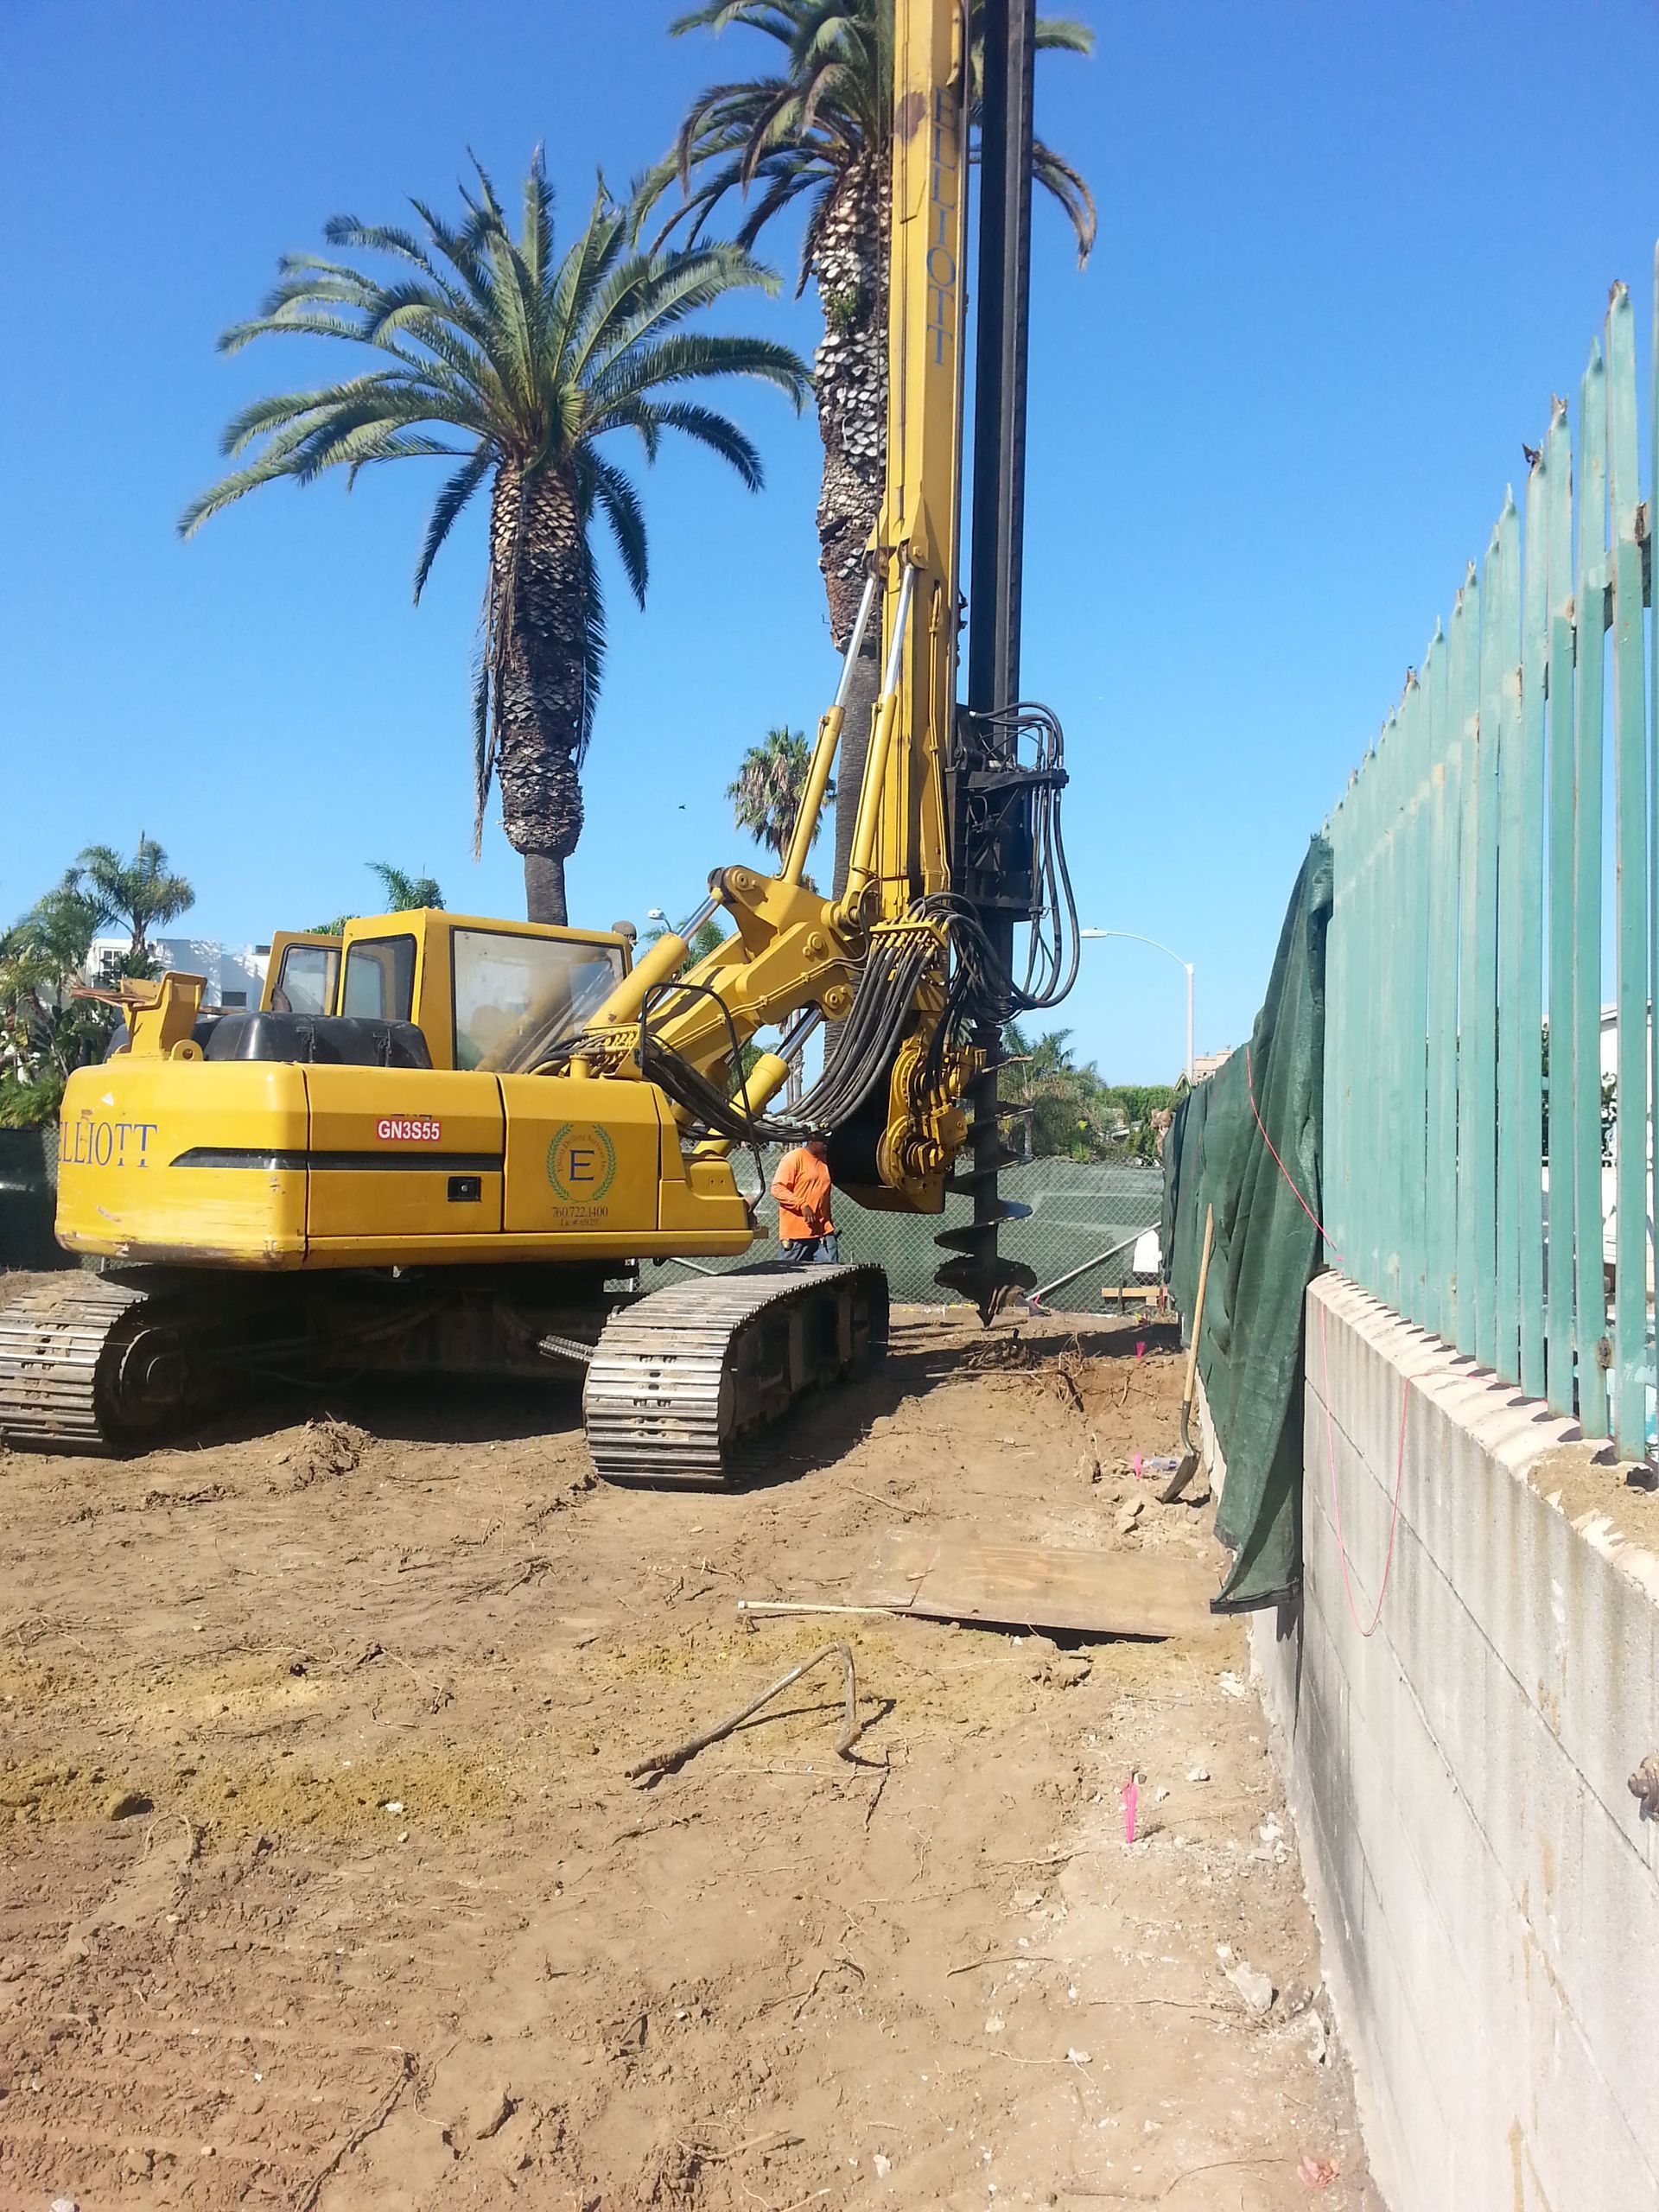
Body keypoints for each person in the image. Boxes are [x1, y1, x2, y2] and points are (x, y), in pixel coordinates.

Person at [771, 1135, 839, 1265]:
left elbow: (824, 1195)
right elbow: (777, 1188)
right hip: (797, 1235)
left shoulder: (826, 1161)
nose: (827, 1143)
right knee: (787, 1276)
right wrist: (801, 1204)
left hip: (823, 1233)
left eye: (828, 1140)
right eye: (823, 1140)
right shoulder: (793, 1158)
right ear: (811, 1139)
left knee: (832, 1276)